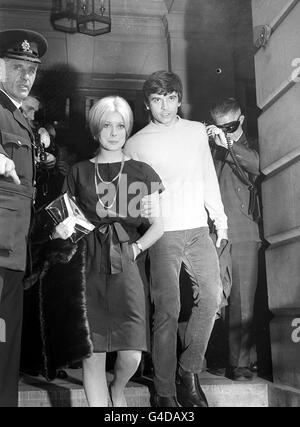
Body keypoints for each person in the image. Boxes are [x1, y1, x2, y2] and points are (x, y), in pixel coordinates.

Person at [49, 96, 164, 407]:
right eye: (107, 126)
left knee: (132, 352)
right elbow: (65, 220)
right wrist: (60, 231)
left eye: (120, 126)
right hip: (86, 265)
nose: (114, 133)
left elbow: (158, 225)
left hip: (126, 262)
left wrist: (136, 248)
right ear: (95, 129)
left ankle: (118, 389)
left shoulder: (143, 171)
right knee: (92, 352)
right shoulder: (78, 171)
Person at [124, 70, 228, 407]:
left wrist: (220, 220)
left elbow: (207, 176)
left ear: (179, 99)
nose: (165, 106)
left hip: (198, 229)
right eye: (157, 99)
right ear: (147, 104)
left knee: (212, 298)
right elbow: (132, 200)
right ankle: (165, 392)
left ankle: (188, 371)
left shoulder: (196, 131)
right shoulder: (135, 143)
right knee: (168, 310)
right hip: (163, 233)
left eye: (170, 98)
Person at [0, 29, 47, 407]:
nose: (25, 76)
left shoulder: (19, 117)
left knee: (6, 343)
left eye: (30, 69)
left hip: (13, 248)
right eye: (17, 67)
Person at [207, 97, 261, 381]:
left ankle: (239, 363)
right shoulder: (212, 148)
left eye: (229, 126)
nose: (224, 131)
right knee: (214, 299)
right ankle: (219, 356)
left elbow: (255, 164)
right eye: (218, 127)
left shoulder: (249, 145)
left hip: (242, 232)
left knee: (242, 301)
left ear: (240, 120)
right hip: (213, 232)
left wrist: (225, 144)